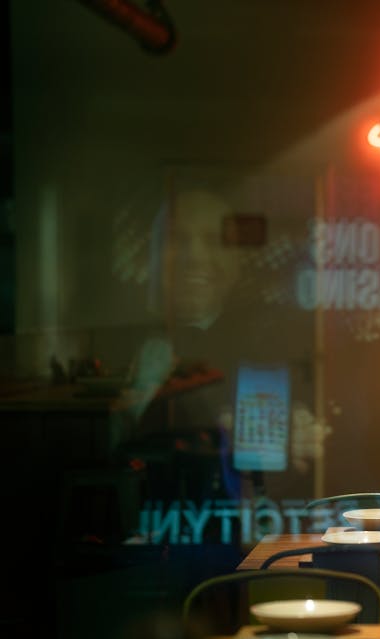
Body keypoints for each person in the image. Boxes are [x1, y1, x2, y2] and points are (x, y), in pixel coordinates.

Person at [126, 180, 318, 548]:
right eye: (179, 240)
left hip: (242, 530)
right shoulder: (127, 348)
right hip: (156, 530)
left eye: (215, 240)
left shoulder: (274, 344)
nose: (196, 257)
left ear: (238, 260)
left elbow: (290, 459)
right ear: (153, 256)